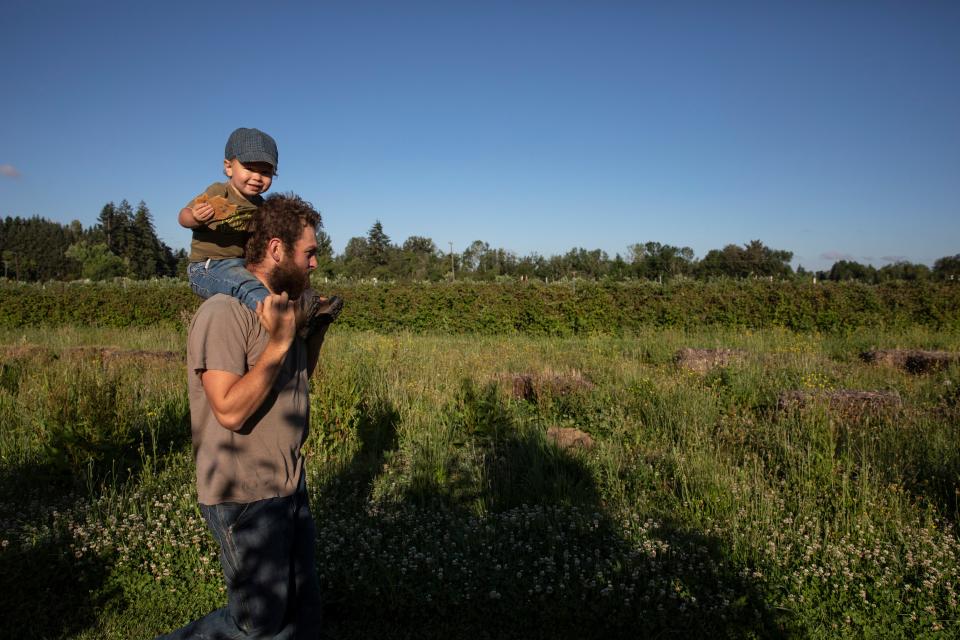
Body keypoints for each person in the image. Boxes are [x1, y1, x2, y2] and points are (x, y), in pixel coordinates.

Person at [158, 193, 328, 639]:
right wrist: (276, 344)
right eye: (309, 252)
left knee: (302, 611)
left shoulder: (281, 308)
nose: (314, 264)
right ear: (276, 249)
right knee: (257, 622)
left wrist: (313, 331)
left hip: (288, 481)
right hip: (246, 494)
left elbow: (296, 376)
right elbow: (230, 409)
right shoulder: (224, 312)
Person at [178, 126, 341, 335]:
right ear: (228, 167)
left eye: (265, 172)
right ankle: (279, 319)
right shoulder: (220, 192)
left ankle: (309, 305)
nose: (257, 177)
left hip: (241, 262)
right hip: (208, 266)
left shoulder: (261, 206)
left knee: (283, 272)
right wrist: (194, 217)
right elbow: (183, 216)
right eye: (250, 168)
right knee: (244, 284)